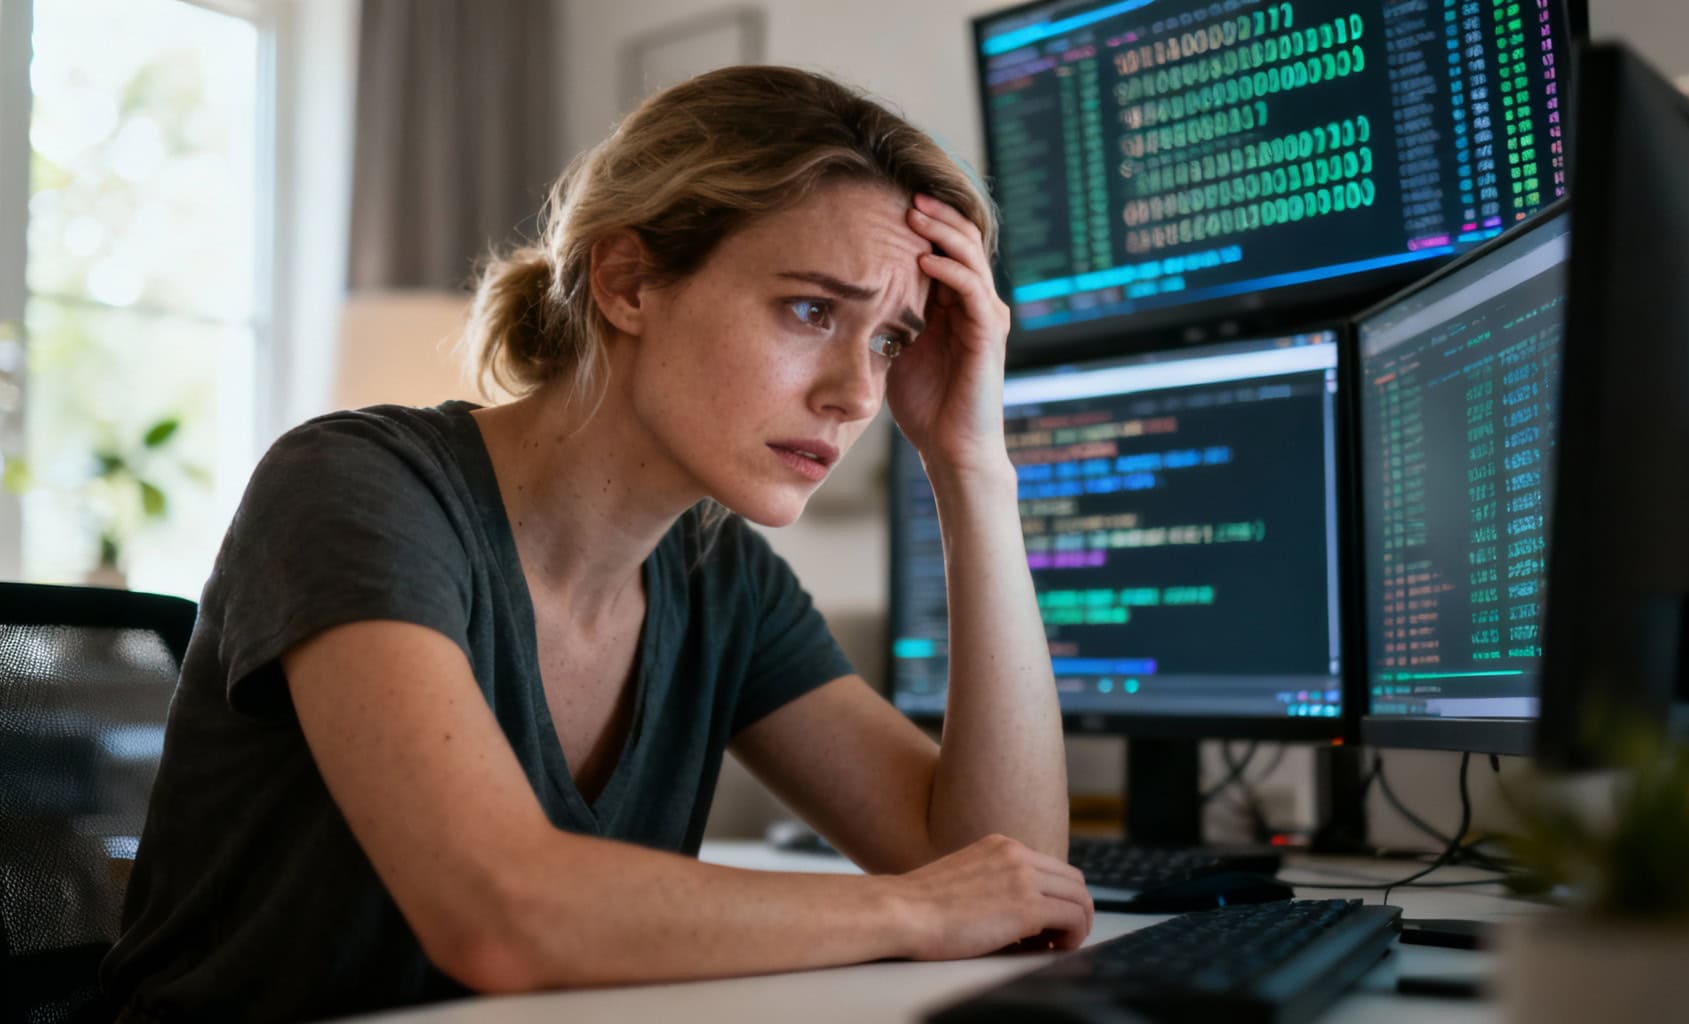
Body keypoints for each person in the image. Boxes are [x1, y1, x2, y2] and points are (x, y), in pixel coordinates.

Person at [100, 65, 1091, 1022]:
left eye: (888, 340)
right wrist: (914, 912)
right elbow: (500, 916)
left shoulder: (722, 579)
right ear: (627, 282)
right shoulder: (357, 487)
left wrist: (971, 465)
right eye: (810, 309)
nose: (858, 393)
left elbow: (1005, 880)